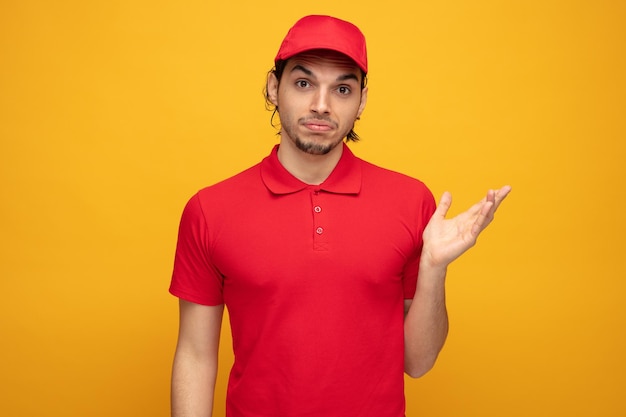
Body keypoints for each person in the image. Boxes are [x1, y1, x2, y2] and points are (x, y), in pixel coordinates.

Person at [169, 15, 511, 417]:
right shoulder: (210, 210)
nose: (321, 105)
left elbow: (418, 363)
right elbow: (195, 354)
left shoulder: (411, 201)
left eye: (342, 89)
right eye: (303, 83)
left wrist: (434, 268)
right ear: (273, 87)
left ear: (361, 101)